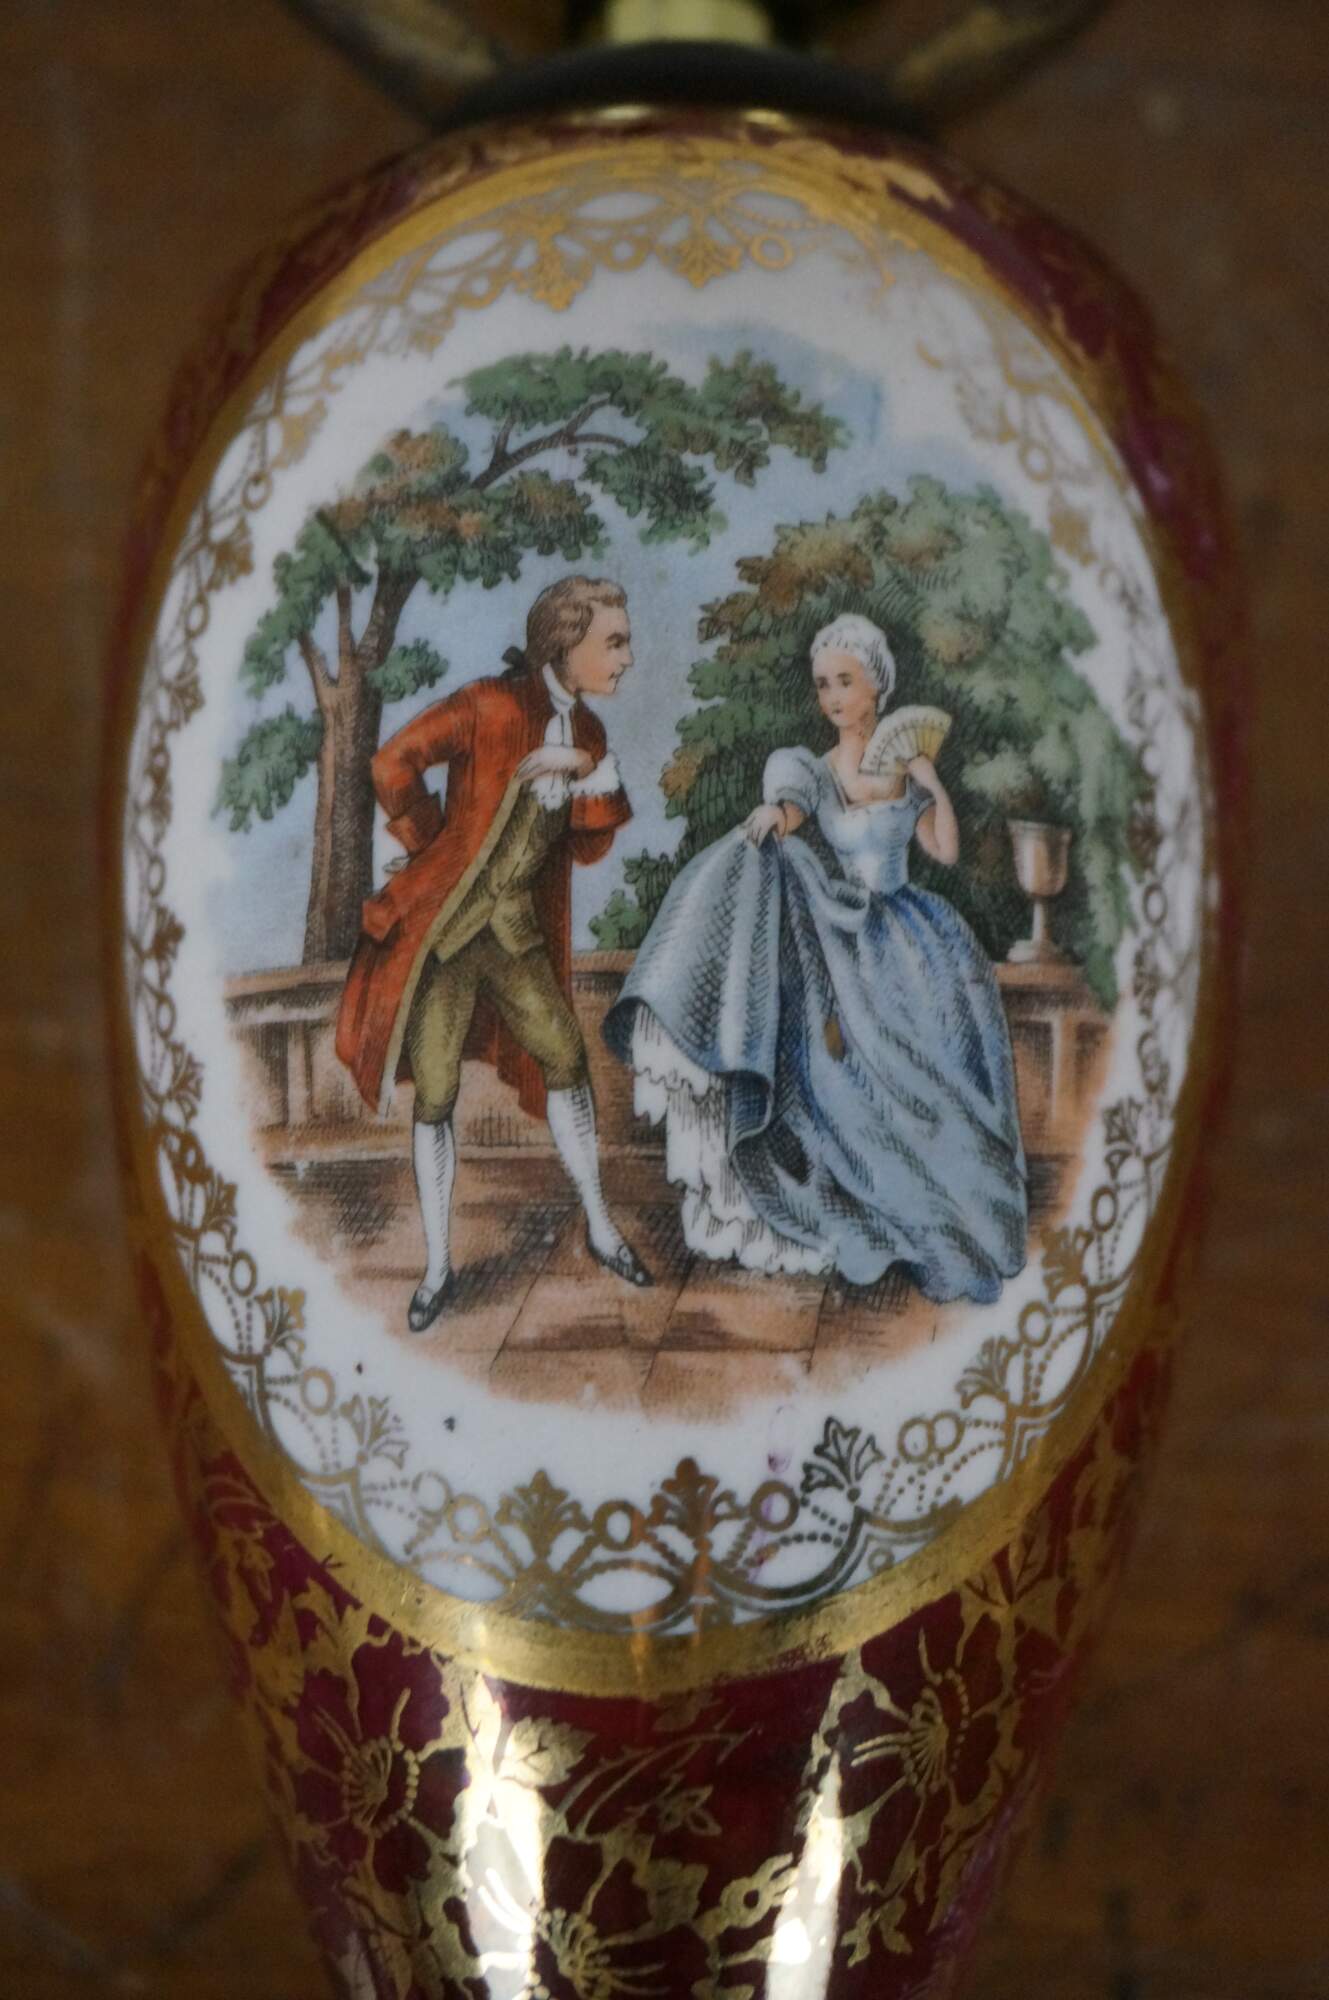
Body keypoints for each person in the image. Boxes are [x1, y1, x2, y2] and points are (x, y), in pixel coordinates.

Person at [604, 612, 1028, 1305]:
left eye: (844, 681)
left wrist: (931, 780)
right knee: (837, 1068)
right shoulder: (815, 769)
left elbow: (944, 850)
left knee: (926, 1067)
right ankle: (854, 1198)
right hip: (843, 933)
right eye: (823, 683)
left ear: (876, 686)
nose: (832, 696)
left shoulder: (905, 763)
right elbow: (794, 806)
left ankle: (942, 1200)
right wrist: (777, 815)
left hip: (910, 936)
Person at [336, 574, 653, 1331]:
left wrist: (585, 772)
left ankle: (600, 1225)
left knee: (566, 1059)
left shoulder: (588, 734)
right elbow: (390, 764)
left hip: (515, 936)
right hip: (444, 939)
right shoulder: (487, 703)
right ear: (564, 644)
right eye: (614, 643)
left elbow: (589, 846)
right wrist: (433, 849)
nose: (627, 658)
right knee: (435, 1092)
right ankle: (438, 1267)